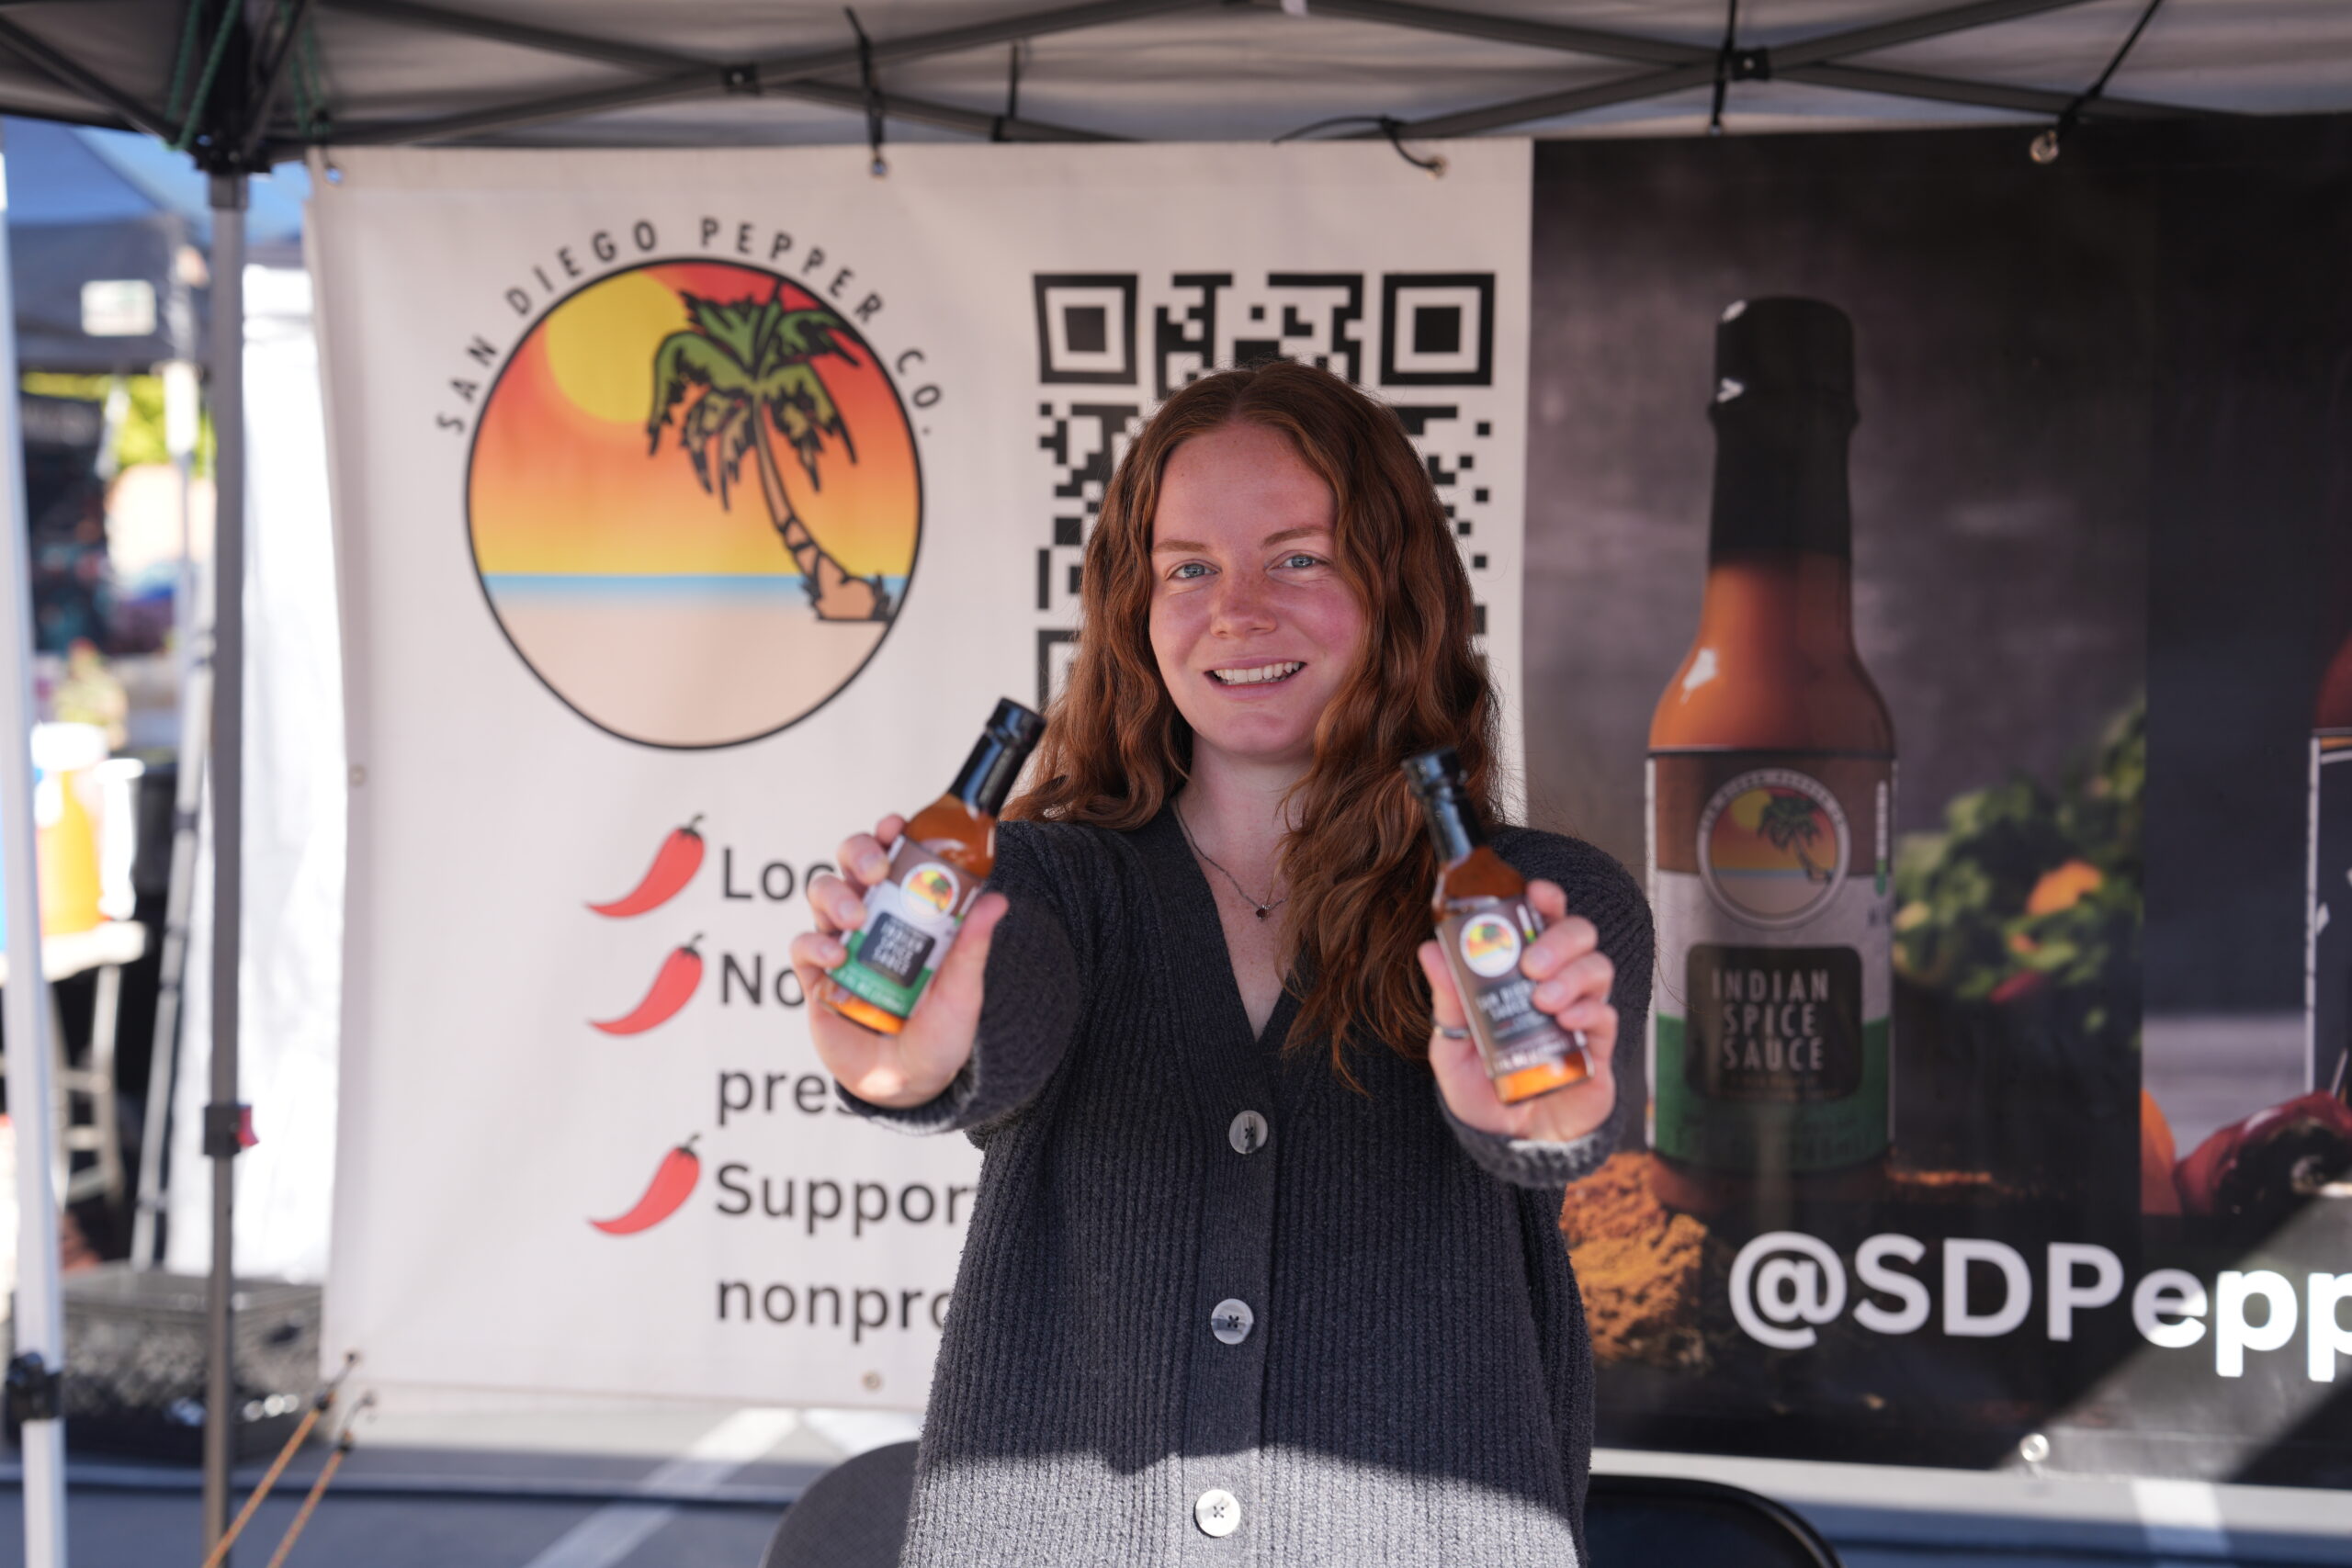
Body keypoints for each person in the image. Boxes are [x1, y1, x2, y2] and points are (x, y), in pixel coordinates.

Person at [788, 359, 1652, 1566]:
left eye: (1297, 556)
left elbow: (1558, 1118)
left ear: (1397, 586)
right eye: (1189, 568)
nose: (1237, 611)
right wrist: (906, 1060)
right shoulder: (1042, 882)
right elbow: (992, 1023)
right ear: (1136, 610)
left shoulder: (1544, 902)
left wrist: (1537, 1098)